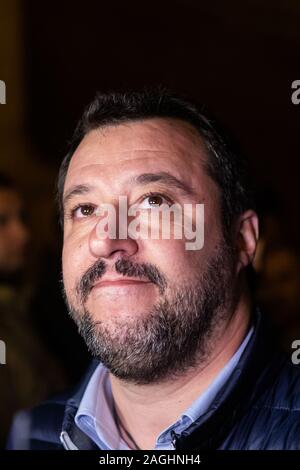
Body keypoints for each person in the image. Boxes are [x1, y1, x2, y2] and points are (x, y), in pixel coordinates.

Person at [7, 89, 300, 450]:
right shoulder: (35, 436)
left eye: (154, 201)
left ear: (242, 240)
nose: (107, 240)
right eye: (85, 209)